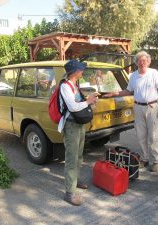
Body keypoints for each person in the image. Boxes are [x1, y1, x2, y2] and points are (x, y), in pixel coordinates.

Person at [103, 51, 158, 172]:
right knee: (141, 135)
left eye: (144, 60)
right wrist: (113, 93)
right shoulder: (134, 76)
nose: (142, 63)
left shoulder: (154, 73)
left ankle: (156, 161)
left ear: (148, 61)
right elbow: (128, 91)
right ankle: (145, 159)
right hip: (137, 107)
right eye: (139, 61)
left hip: (151, 107)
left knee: (153, 135)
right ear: (136, 63)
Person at [58, 59, 98, 206]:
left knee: (79, 155)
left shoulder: (75, 85)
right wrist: (87, 102)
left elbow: (78, 103)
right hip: (71, 126)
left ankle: (75, 180)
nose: (82, 72)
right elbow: (73, 107)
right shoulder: (65, 86)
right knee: (71, 158)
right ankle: (69, 192)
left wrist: (89, 99)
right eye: (80, 69)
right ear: (74, 72)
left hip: (79, 125)